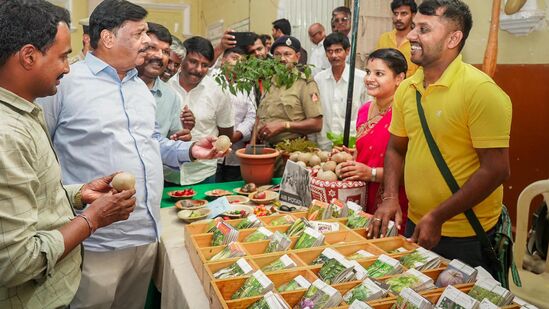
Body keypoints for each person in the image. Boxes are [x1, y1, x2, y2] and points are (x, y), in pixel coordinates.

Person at [37, 1, 227, 308]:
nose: (147, 43)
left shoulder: (140, 88)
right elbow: (40, 153)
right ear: (108, 38)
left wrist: (190, 150)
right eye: (139, 34)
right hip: (96, 241)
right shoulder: (66, 83)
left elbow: (151, 143)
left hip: (146, 234)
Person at [0, 1, 136, 307]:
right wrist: (92, 220)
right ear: (29, 56)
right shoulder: (7, 133)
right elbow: (15, 262)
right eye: (62, 57)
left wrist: (77, 193)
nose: (67, 67)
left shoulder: (24, 112)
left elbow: (29, 196)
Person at [370, 0, 512, 274]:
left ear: (453, 38)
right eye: (413, 27)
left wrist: (438, 216)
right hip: (417, 223)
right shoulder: (407, 89)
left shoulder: (481, 91)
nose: (411, 35)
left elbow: (496, 169)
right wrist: (390, 198)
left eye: (423, 29)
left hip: (466, 233)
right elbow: (396, 149)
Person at [339, 48, 408, 227]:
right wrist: (353, 155)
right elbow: (371, 149)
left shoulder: (406, 114)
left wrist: (371, 173)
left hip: (394, 202)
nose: (369, 78)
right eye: (368, 72)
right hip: (361, 200)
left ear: (399, 78)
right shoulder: (364, 109)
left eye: (379, 73)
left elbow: (414, 170)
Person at [168, 36, 234, 185]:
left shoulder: (218, 91)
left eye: (205, 65)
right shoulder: (165, 85)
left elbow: (226, 133)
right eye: (193, 62)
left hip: (204, 174)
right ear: (182, 59)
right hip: (167, 173)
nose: (198, 69)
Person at [257, 35, 323, 148]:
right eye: (277, 55)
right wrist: (252, 147)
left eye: (287, 54)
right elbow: (259, 118)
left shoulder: (305, 83)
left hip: (291, 150)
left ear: (297, 57)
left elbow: (316, 124)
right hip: (265, 149)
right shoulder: (269, 82)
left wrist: (284, 126)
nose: (282, 59)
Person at [137, 22, 193, 141]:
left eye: (166, 52)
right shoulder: (118, 85)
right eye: (152, 48)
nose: (160, 56)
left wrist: (183, 141)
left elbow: (171, 143)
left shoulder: (171, 97)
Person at [312, 32, 367, 151]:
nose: (334, 55)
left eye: (338, 51)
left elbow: (368, 113)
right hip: (324, 144)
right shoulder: (319, 79)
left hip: (352, 144)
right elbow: (314, 112)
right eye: (330, 51)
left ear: (347, 51)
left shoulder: (361, 78)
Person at [214, 47, 256, 182]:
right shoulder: (211, 79)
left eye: (242, 61)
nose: (238, 63)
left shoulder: (247, 84)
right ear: (223, 60)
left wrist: (237, 134)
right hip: (212, 147)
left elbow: (251, 115)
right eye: (234, 58)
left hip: (236, 150)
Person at [376, 0, 419, 77]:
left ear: (413, 15)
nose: (398, 18)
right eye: (396, 14)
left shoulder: (418, 41)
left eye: (404, 14)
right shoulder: (384, 38)